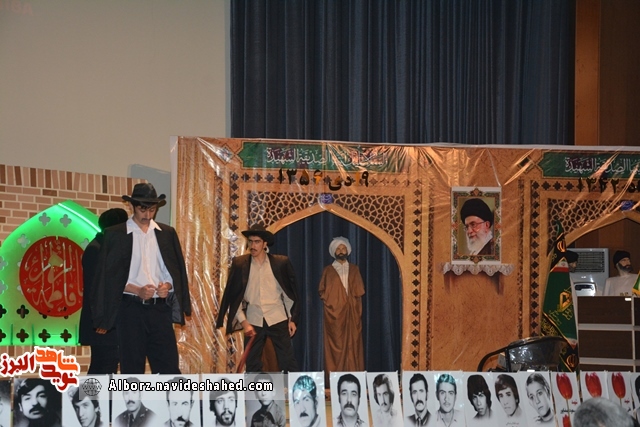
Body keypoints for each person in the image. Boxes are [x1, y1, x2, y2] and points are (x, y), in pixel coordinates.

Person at [92, 182, 191, 374]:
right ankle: (133, 396)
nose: (147, 215)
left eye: (152, 210)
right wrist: (136, 289)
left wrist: (167, 286)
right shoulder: (115, 234)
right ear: (132, 206)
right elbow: (107, 278)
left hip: (160, 309)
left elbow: (175, 270)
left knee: (168, 367)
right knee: (132, 367)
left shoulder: (166, 233)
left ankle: (171, 396)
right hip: (130, 309)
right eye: (142, 210)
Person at [216, 223, 300, 372]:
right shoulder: (240, 264)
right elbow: (235, 299)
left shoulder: (280, 263)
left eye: (257, 242)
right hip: (254, 318)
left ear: (264, 244)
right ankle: (255, 387)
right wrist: (245, 323)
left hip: (277, 316)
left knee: (287, 360)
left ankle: (295, 387)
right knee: (252, 362)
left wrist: (291, 319)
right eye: (250, 241)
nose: (253, 246)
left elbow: (288, 294)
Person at [80, 207, 128, 374]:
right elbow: (98, 290)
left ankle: (94, 392)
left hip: (110, 321)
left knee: (107, 365)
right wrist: (103, 320)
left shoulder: (106, 248)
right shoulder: (97, 250)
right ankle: (90, 393)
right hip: (102, 321)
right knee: (103, 365)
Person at [318, 237, 365, 375]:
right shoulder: (328, 270)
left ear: (347, 250)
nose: (341, 251)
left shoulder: (354, 269)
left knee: (353, 344)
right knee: (336, 344)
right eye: (338, 248)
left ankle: (354, 377)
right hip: (335, 315)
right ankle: (335, 378)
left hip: (352, 313)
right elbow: (322, 291)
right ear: (334, 251)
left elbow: (359, 291)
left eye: (343, 248)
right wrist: (334, 302)